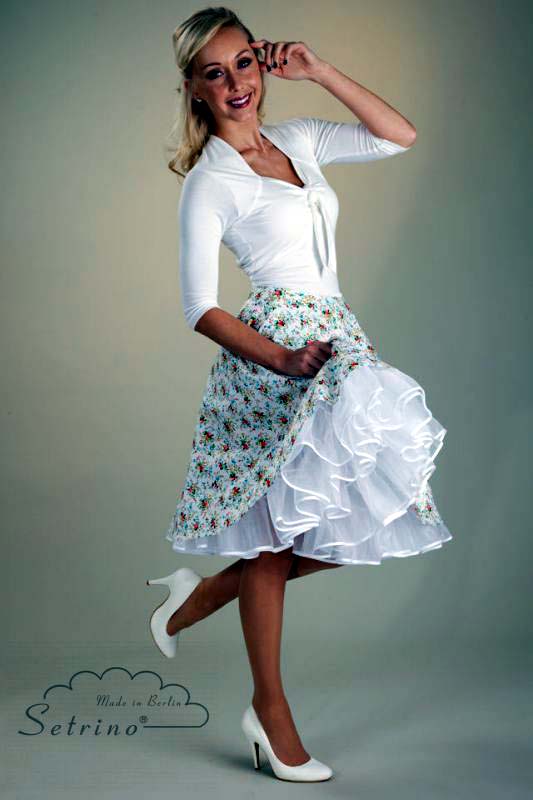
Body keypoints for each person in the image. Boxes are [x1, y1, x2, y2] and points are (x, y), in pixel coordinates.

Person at [147, 7, 453, 783]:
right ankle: (269, 709)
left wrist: (317, 70)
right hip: (271, 357)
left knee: (363, 503)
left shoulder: (301, 139)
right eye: (213, 72)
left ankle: (199, 599)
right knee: (277, 538)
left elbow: (397, 135)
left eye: (243, 63)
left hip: (336, 340)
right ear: (194, 88)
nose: (234, 83)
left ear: (261, 64)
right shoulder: (210, 182)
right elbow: (199, 307)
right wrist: (281, 359)